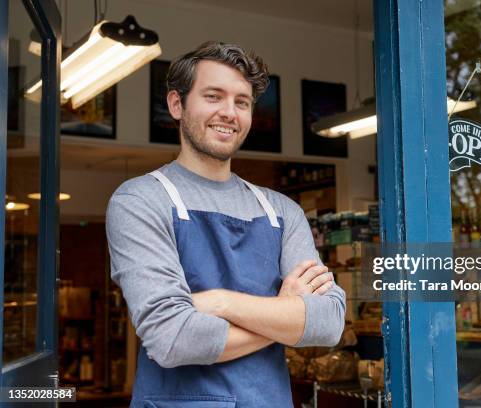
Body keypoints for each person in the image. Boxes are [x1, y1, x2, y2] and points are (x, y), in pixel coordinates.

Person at [106, 41, 346, 407]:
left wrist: (219, 302)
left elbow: (327, 323)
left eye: (242, 102)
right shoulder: (140, 201)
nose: (229, 113)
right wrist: (285, 317)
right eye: (213, 96)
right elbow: (172, 338)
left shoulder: (282, 211)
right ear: (176, 104)